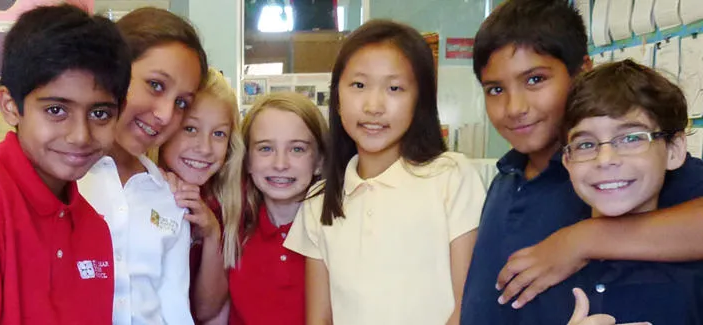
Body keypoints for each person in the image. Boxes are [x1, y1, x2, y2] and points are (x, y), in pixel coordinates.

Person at [460, 0, 703, 323]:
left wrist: (581, 240)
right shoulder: (506, 176)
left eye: (535, 80)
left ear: (582, 73)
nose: (514, 107)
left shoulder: (612, 178)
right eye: (494, 89)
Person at [0, 4, 132, 324]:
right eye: (57, 110)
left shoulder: (93, 227)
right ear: (10, 106)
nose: (80, 136)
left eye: (100, 113)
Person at [284, 19, 486, 325]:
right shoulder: (320, 201)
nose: (373, 106)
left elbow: (468, 306)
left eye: (394, 88)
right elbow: (319, 319)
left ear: (419, 102)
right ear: (336, 99)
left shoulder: (451, 176)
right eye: (359, 85)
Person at [75, 7, 208, 325]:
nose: (165, 114)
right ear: (112, 72)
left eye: (181, 103)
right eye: (156, 85)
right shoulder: (65, 180)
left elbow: (175, 307)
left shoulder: (169, 195)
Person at [557, 60, 701, 324]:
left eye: (631, 138)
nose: (605, 158)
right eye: (586, 144)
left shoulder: (693, 281)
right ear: (567, 161)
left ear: (674, 150)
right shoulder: (547, 271)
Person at [225, 92, 329, 325]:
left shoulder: (336, 236)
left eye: (297, 149)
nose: (280, 164)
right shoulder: (233, 231)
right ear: (248, 160)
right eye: (265, 149)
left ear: (320, 160)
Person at [156, 67, 244, 322]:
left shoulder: (224, 202)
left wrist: (212, 232)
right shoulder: (140, 187)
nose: (205, 148)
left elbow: (206, 310)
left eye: (218, 134)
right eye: (191, 129)